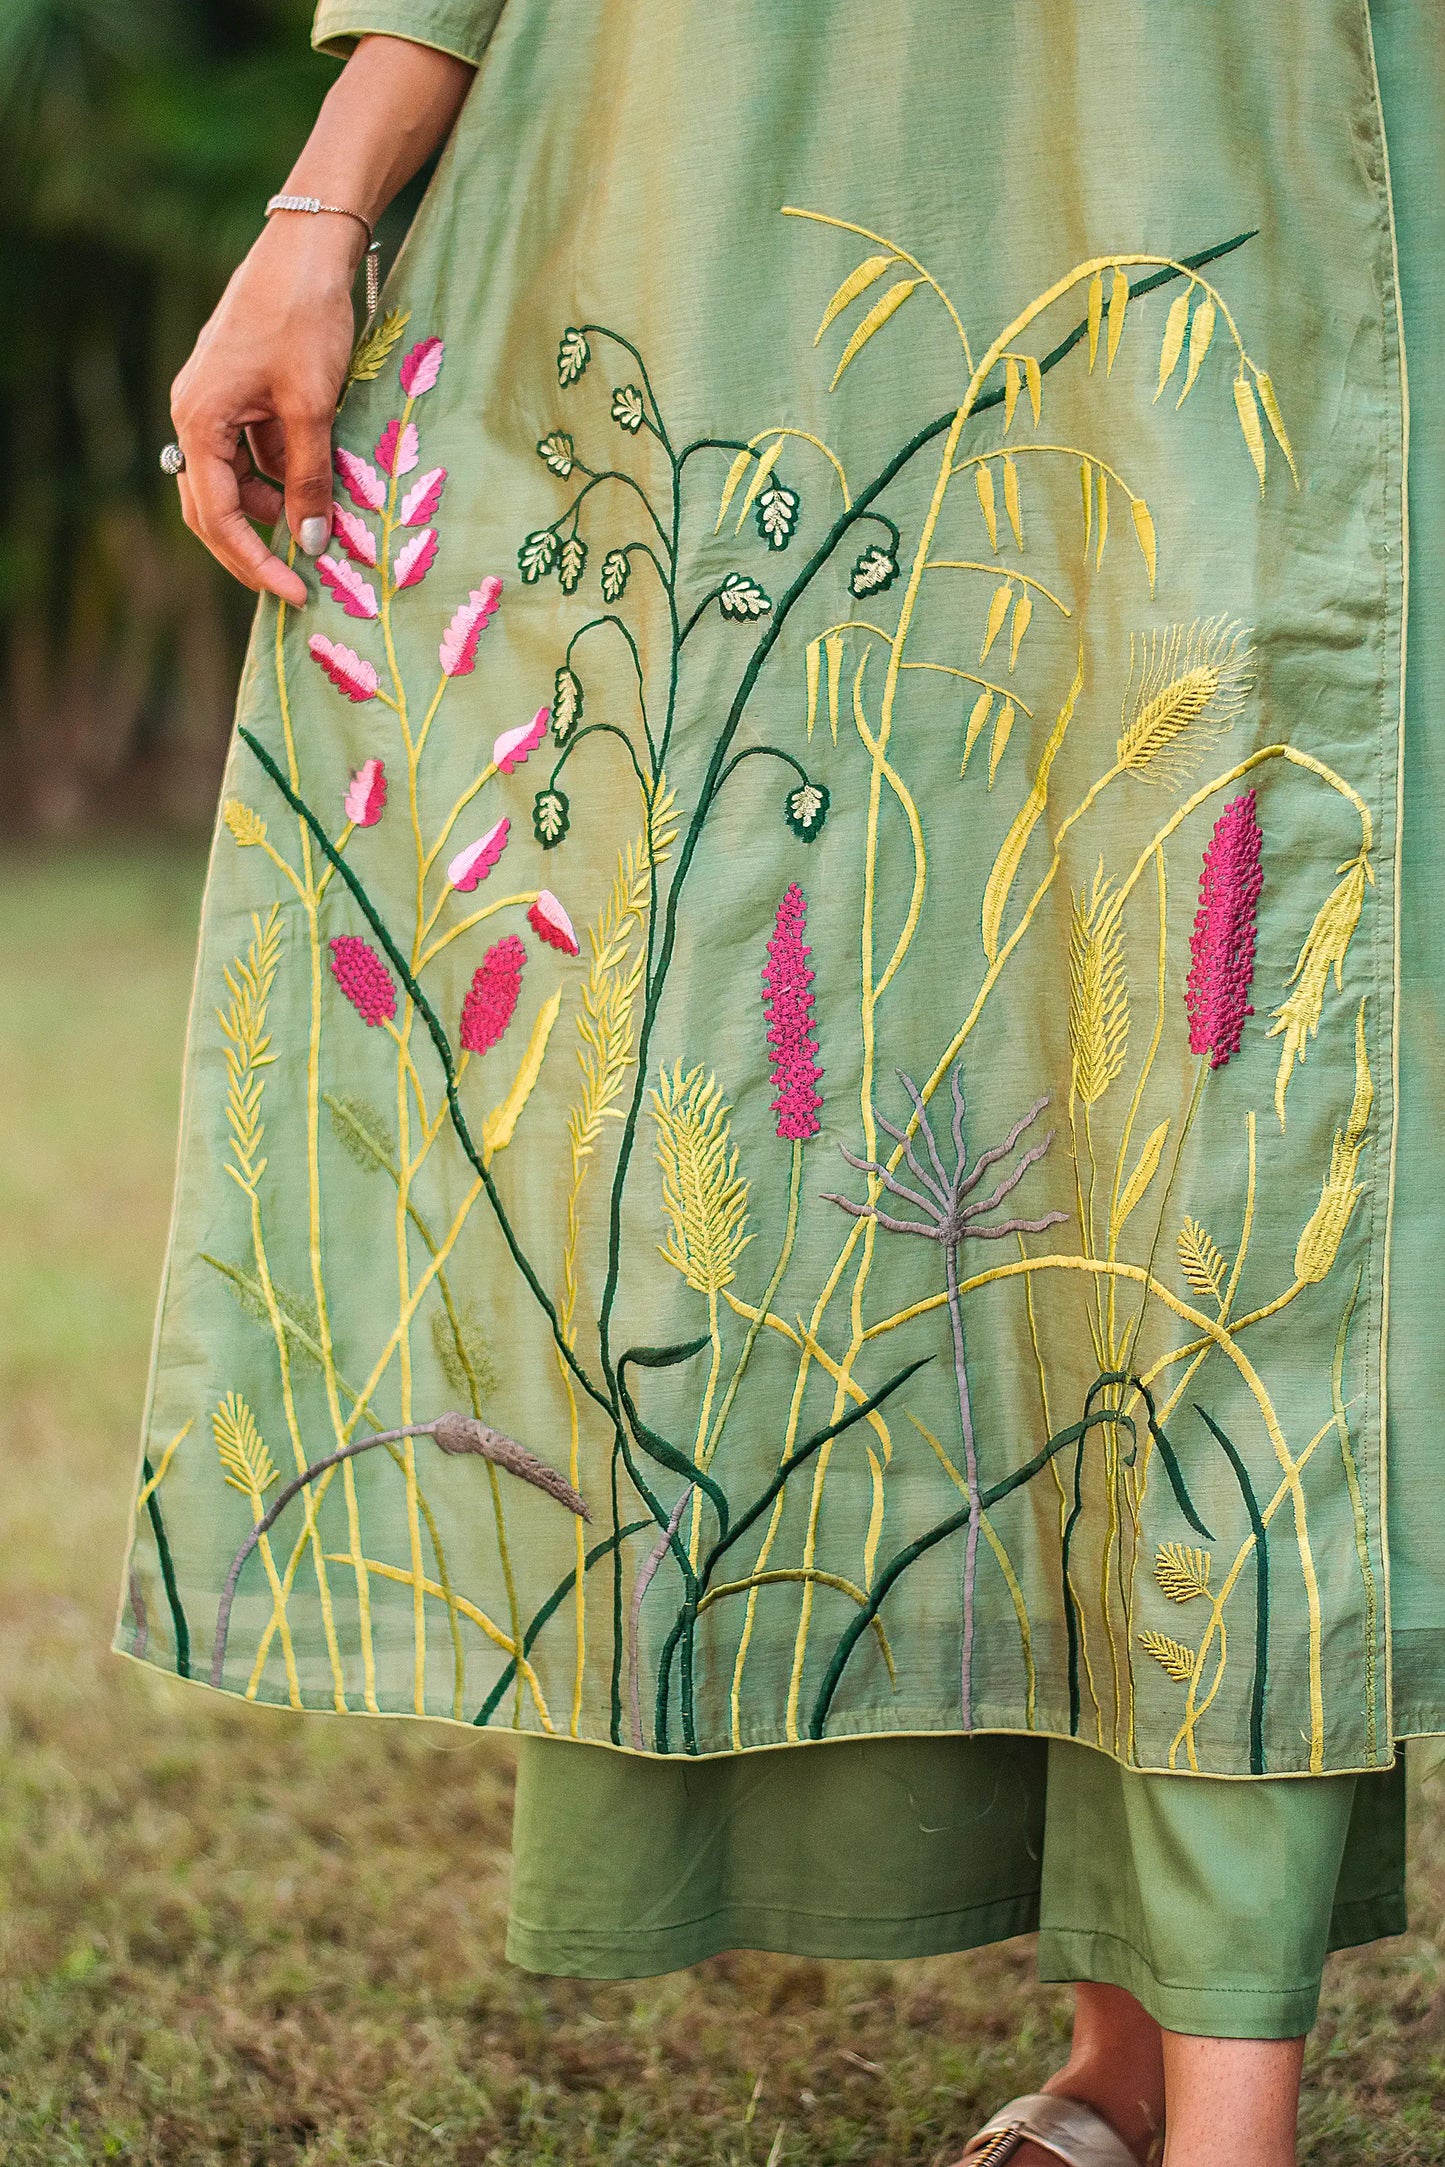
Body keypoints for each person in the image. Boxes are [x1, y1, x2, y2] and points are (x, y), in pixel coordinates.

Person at [126, 7, 1445, 2163]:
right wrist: (323, 207)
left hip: (1238, 131)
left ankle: (1233, 2123)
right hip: (725, 165)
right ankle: (1130, 2067)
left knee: (1218, 1053)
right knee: (966, 1001)